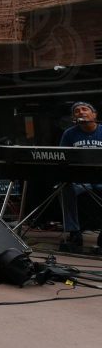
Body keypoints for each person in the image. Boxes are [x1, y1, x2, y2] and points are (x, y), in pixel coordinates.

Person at [58, 101, 102, 248]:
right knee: (65, 188)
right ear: (74, 117)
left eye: (85, 109)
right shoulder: (69, 134)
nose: (81, 112)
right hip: (80, 180)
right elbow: (62, 157)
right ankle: (74, 231)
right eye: (77, 111)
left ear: (94, 114)